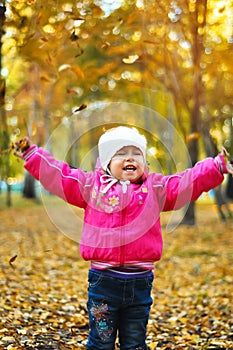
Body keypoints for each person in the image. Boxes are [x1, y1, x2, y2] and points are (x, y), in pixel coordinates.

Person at [14, 126, 233, 350]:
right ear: (107, 161)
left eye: (136, 153)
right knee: (101, 341)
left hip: (140, 284)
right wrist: (32, 154)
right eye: (121, 153)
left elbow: (186, 182)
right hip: (103, 282)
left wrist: (215, 166)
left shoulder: (155, 189)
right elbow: (60, 176)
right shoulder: (91, 187)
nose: (130, 157)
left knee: (135, 343)